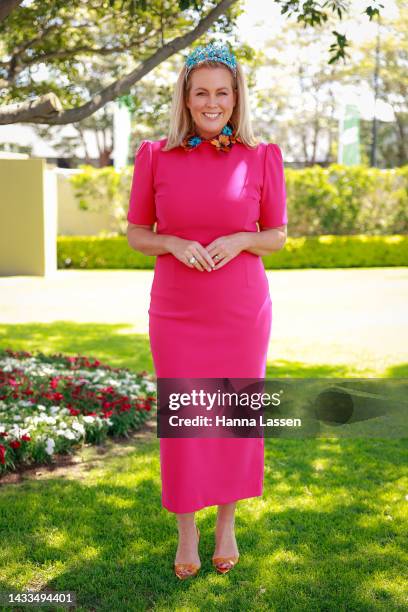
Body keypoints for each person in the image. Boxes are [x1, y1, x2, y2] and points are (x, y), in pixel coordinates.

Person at [127, 41, 288, 579]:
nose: (212, 102)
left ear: (237, 97)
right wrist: (171, 244)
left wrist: (244, 237)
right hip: (177, 311)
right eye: (202, 93)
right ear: (187, 98)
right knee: (187, 420)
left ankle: (226, 526)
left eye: (223, 92)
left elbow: (278, 237)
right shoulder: (155, 155)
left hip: (241, 309)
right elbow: (136, 234)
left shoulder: (262, 156)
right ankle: (186, 532)